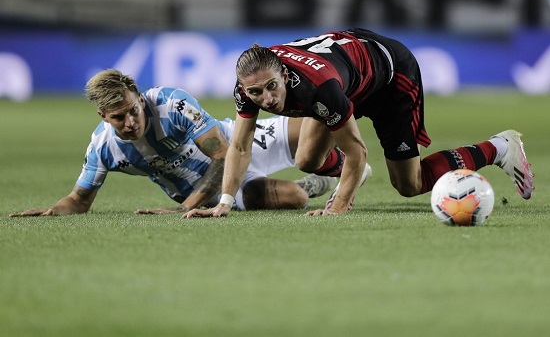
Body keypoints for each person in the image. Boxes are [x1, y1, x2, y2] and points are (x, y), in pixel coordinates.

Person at [184, 27, 534, 218]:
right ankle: (351, 181)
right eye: (256, 93)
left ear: (285, 74)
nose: (266, 100)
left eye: (271, 88)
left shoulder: (318, 89)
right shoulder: (250, 86)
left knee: (409, 184)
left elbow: (357, 150)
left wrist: (337, 207)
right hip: (347, 71)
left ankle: (499, 147)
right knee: (307, 160)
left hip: (389, 77)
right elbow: (240, 146)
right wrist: (224, 203)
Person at [9, 69, 340, 217]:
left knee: (313, 119)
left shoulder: (173, 105)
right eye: (118, 118)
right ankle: (316, 183)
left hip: (231, 148)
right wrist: (54, 210)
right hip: (213, 188)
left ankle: (344, 162)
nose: (130, 122)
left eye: (133, 111)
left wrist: (185, 207)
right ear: (102, 117)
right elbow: (79, 201)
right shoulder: (103, 148)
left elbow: (225, 155)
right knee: (294, 197)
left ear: (140, 98)